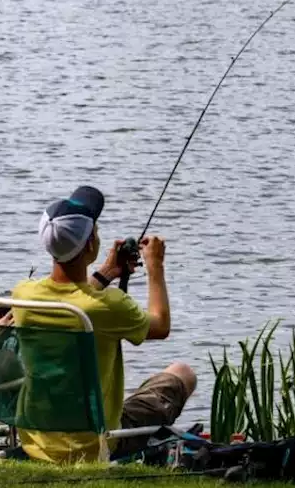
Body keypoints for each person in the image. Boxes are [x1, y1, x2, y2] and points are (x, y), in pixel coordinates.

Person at [11, 186, 196, 463]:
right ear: (89, 245)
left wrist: (107, 273)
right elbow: (160, 325)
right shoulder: (108, 305)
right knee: (182, 373)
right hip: (96, 442)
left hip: (37, 440)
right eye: (95, 228)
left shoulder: (24, 296)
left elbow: (76, 304)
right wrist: (155, 265)